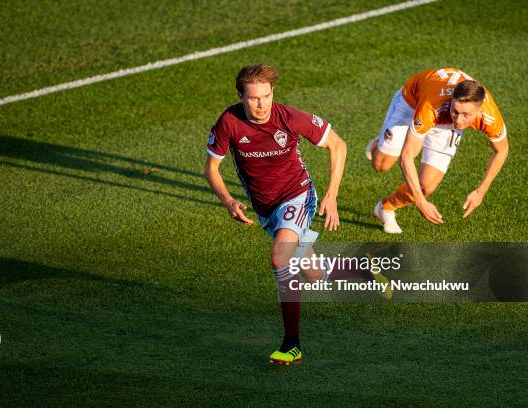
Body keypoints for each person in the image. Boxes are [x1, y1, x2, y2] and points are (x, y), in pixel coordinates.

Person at [204, 64, 346, 365]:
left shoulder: (289, 117)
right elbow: (211, 168)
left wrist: (332, 196)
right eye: (254, 98)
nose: (261, 104)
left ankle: (291, 344)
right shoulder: (229, 122)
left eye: (266, 96)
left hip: (298, 194)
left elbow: (338, 145)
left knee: (280, 257)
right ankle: (359, 269)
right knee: (312, 274)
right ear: (241, 97)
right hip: (266, 208)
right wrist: (229, 200)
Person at [365, 68, 508, 233]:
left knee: (426, 186)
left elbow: (502, 150)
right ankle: (378, 143)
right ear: (452, 101)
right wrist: (419, 202)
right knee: (381, 165)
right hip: (411, 102)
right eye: (455, 111)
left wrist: (480, 191)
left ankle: (386, 208)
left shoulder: (490, 117)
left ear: (480, 111)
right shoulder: (431, 107)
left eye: (465, 115)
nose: (459, 120)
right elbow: (407, 156)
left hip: (440, 118)